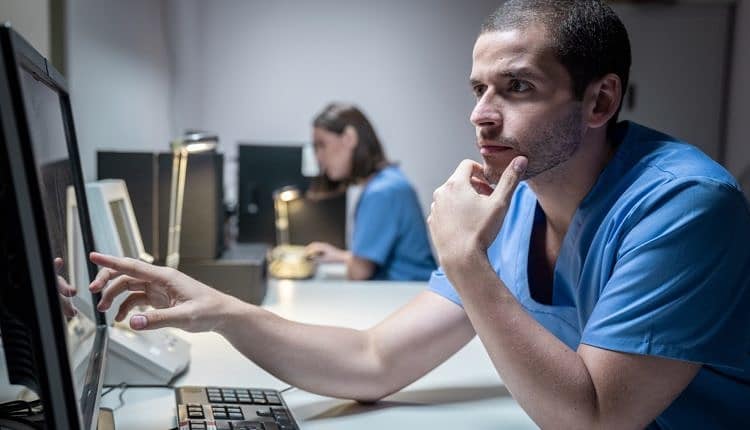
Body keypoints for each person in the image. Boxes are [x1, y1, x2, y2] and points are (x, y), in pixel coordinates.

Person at [89, 1, 749, 428]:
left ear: (600, 100)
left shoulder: (682, 206)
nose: (481, 114)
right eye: (478, 89)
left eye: (516, 87)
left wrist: (465, 260)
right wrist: (219, 311)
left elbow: (597, 418)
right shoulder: (517, 200)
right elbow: (375, 359)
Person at [304, 102, 436, 281]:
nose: (318, 156)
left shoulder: (381, 193)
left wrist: (350, 262)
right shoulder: (389, 181)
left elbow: (358, 273)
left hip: (406, 294)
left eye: (321, 145)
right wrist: (341, 256)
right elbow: (370, 260)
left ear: (349, 138)